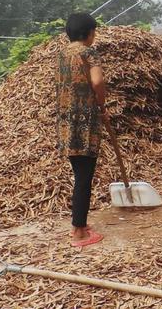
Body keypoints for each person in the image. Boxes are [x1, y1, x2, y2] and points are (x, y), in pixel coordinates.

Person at [56, 12, 108, 247]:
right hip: (85, 121)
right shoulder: (89, 52)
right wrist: (101, 102)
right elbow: (97, 82)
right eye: (94, 31)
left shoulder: (63, 53)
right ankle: (79, 233)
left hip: (66, 120)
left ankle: (79, 223)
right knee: (84, 177)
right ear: (88, 33)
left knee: (79, 173)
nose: (94, 36)